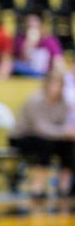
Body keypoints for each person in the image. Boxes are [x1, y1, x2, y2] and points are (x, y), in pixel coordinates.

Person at [10, 70, 75, 198]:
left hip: (51, 137)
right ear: (46, 85)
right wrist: (65, 132)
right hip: (23, 136)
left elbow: (63, 124)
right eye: (54, 85)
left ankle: (64, 186)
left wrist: (68, 133)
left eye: (60, 85)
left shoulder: (64, 102)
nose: (56, 89)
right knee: (43, 144)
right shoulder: (35, 100)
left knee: (69, 145)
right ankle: (37, 186)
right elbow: (41, 128)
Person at [12, 11, 64, 78]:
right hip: (25, 74)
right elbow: (20, 60)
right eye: (29, 27)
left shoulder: (50, 41)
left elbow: (58, 60)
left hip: (44, 74)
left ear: (41, 26)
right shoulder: (20, 40)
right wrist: (29, 44)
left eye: (35, 26)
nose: (32, 29)